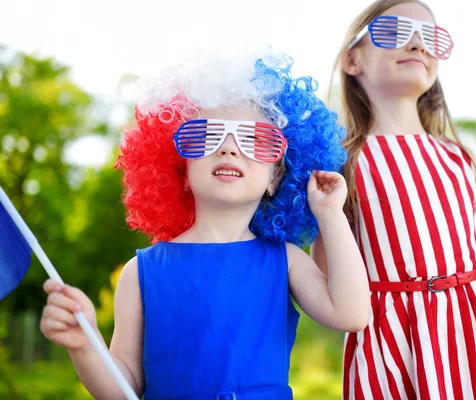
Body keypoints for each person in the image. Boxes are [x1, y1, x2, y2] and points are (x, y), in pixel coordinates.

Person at [39, 45, 370, 400]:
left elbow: (351, 314)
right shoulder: (142, 272)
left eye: (255, 140)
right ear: (180, 169)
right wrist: (85, 344)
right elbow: (123, 389)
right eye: (206, 135)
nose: (228, 148)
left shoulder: (284, 260)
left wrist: (331, 214)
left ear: (277, 177)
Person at [312, 1, 476, 398]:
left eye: (430, 37)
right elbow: (329, 272)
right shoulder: (339, 163)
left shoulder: (460, 157)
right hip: (390, 342)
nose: (418, 44)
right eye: (394, 31)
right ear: (352, 60)